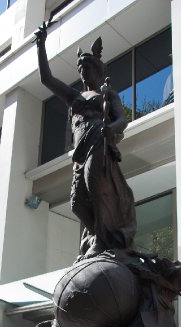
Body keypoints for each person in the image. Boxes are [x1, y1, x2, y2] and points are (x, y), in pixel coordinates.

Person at [35, 22, 137, 259]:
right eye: (80, 68)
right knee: (77, 203)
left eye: (86, 67)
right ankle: (97, 236)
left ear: (96, 68)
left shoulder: (107, 94)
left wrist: (111, 129)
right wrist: (41, 46)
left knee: (95, 187)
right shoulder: (74, 97)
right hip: (80, 152)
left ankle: (101, 242)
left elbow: (122, 120)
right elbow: (46, 78)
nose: (82, 71)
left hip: (99, 142)